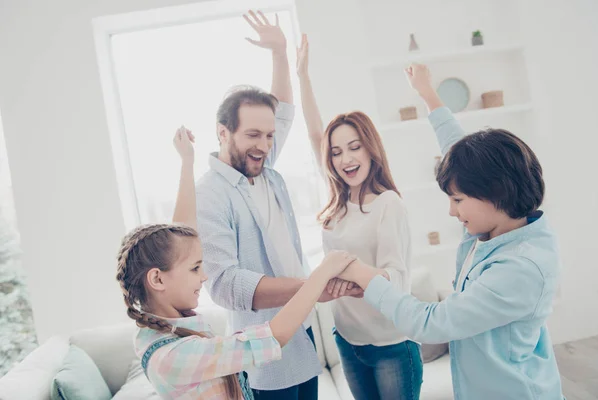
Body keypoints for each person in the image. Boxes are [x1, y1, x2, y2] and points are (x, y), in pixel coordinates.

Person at [338, 63, 565, 400]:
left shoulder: (521, 268)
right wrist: (427, 93)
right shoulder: (495, 226)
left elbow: (431, 324)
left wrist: (364, 275)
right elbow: (457, 147)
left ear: (494, 192)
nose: (451, 210)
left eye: (457, 199)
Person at [116, 126, 356, 399]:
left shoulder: (158, 325)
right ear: (157, 279)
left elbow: (180, 239)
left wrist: (187, 162)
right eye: (195, 269)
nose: (204, 277)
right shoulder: (174, 358)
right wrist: (321, 274)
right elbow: (273, 337)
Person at [195, 11, 362, 399]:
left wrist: (279, 53)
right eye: (253, 134)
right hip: (263, 350)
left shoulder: (263, 167)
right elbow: (225, 285)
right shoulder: (210, 193)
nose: (265, 145)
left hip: (300, 333)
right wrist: (311, 287)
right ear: (223, 132)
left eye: (269, 136)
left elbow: (283, 110)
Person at [296, 34, 423, 400]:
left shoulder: (388, 204)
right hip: (348, 340)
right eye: (337, 153)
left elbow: (396, 278)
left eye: (354, 147)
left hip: (391, 344)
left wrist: (349, 278)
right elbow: (315, 133)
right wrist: (302, 75)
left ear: (371, 149)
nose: (346, 159)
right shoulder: (337, 202)